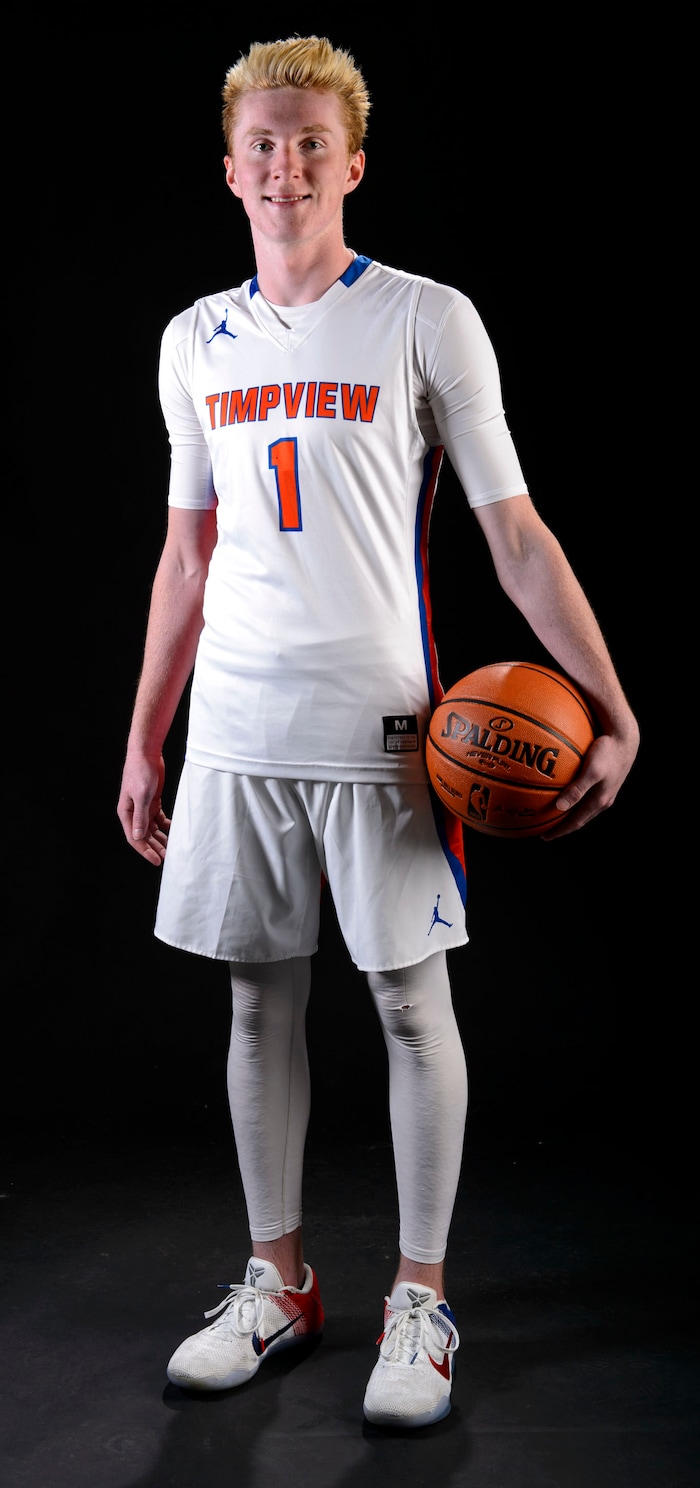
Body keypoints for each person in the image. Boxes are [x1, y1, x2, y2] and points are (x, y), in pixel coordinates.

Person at [117, 35, 639, 1428]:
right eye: (262, 144)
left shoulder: (425, 316)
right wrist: (145, 732)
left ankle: (423, 1298)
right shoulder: (191, 339)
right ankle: (278, 1281)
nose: (285, 165)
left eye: (309, 143)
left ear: (355, 162)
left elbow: (512, 533)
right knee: (254, 1000)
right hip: (235, 722)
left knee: (411, 1005)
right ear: (230, 171)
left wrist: (612, 700)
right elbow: (186, 559)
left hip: (390, 729)